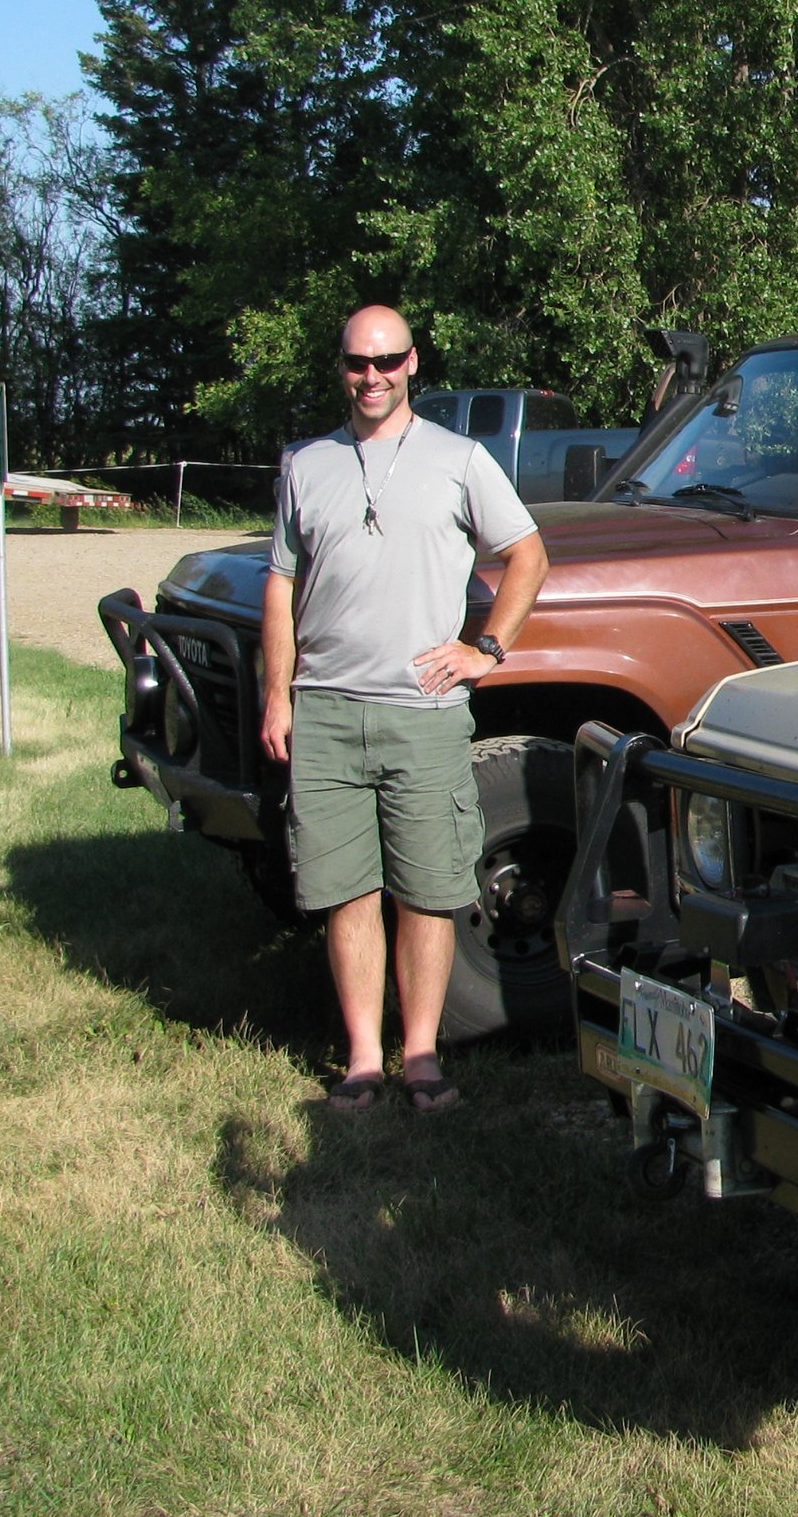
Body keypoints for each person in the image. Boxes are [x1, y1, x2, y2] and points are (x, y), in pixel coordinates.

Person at [259, 305, 550, 1113]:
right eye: (358, 362)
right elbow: (280, 585)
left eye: (387, 360)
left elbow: (527, 553)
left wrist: (485, 648)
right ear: (341, 366)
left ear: (413, 362)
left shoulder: (459, 460)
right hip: (323, 708)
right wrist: (276, 696)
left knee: (427, 889)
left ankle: (420, 1057)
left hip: (422, 712)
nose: (373, 375)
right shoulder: (306, 465)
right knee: (343, 890)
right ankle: (361, 1059)